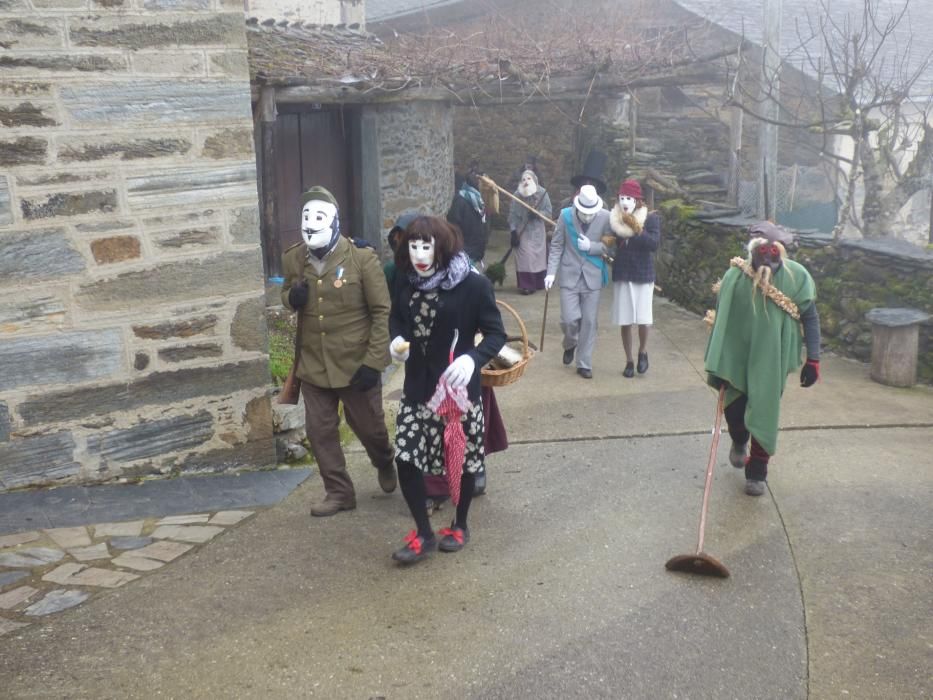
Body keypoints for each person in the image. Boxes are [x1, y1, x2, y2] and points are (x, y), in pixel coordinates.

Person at [388, 216, 506, 563]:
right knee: (406, 458)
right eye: (413, 246)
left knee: (465, 460)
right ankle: (424, 534)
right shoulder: (407, 282)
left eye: (427, 247)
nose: (419, 255)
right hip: (418, 388)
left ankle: (461, 523)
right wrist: (396, 341)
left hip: (457, 393)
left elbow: (496, 333)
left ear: (443, 247)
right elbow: (397, 317)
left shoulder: (473, 285)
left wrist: (473, 358)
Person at [280, 186, 397, 517]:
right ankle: (339, 491)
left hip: (355, 363)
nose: (311, 224)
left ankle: (384, 459)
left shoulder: (361, 259)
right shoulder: (293, 258)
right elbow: (287, 292)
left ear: (334, 223)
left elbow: (380, 311)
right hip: (314, 362)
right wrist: (292, 299)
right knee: (320, 431)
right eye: (306, 217)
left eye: (318, 217)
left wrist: (374, 362)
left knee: (369, 427)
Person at [704, 221, 821, 496]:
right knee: (735, 412)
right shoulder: (736, 275)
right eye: (762, 251)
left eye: (773, 252)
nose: (767, 257)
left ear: (781, 251)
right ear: (752, 251)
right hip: (738, 356)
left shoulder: (797, 277)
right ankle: (739, 438)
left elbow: (810, 317)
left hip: (773, 358)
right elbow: (722, 318)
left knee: (765, 409)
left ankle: (757, 470)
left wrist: (813, 359)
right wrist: (719, 357)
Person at [544, 184, 613, 379]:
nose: (588, 216)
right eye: (585, 212)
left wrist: (592, 246)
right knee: (569, 319)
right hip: (569, 274)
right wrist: (551, 273)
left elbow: (609, 246)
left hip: (593, 276)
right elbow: (557, 245)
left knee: (589, 322)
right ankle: (570, 343)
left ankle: (584, 363)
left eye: (592, 213)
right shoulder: (565, 216)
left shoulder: (606, 217)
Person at [609, 179, 661, 377]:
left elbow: (654, 244)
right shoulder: (615, 218)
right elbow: (611, 237)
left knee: (643, 318)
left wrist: (637, 229)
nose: (624, 202)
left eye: (628, 198)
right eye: (622, 198)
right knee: (625, 319)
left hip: (643, 274)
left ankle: (643, 352)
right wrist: (609, 239)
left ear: (638, 200)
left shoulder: (651, 218)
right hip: (623, 273)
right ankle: (629, 360)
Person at [508, 169, 552, 295]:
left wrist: (538, 214)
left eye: (529, 179)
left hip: (538, 231)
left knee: (538, 258)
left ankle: (538, 283)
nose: (526, 182)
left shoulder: (543, 193)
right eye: (523, 179)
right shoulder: (517, 195)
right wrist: (513, 232)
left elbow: (548, 212)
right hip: (523, 230)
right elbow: (513, 215)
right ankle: (527, 285)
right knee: (525, 257)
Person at [446, 166, 490, 271]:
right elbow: (453, 226)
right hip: (464, 252)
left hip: (474, 250)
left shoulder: (478, 200)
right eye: (481, 183)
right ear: (476, 183)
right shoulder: (460, 201)